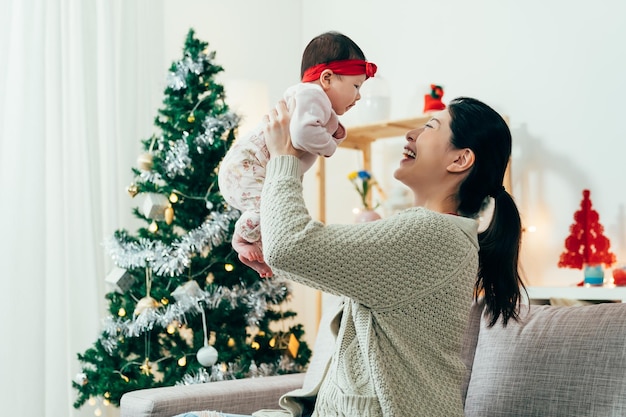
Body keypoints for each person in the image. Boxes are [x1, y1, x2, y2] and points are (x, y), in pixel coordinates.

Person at [251, 96, 526, 416]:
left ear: (460, 159)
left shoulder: (430, 234)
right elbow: (293, 251)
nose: (411, 134)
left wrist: (284, 159)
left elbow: (288, 247)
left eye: (430, 126)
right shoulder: (443, 236)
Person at [218, 31, 377, 278]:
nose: (358, 96)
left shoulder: (313, 102)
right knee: (270, 211)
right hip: (246, 166)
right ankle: (241, 238)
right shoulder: (311, 95)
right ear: (327, 78)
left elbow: (316, 128)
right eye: (356, 86)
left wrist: (335, 129)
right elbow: (303, 135)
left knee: (273, 225)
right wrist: (331, 146)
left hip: (250, 169)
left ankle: (258, 256)